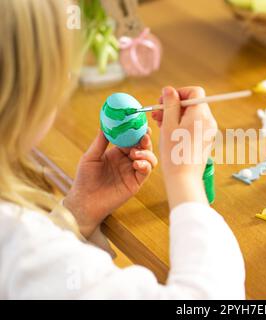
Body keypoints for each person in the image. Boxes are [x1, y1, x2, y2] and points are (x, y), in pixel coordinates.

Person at [0, 0, 245, 299]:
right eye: (61, 74)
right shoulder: (23, 250)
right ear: (23, 96)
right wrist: (185, 179)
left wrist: (79, 211)